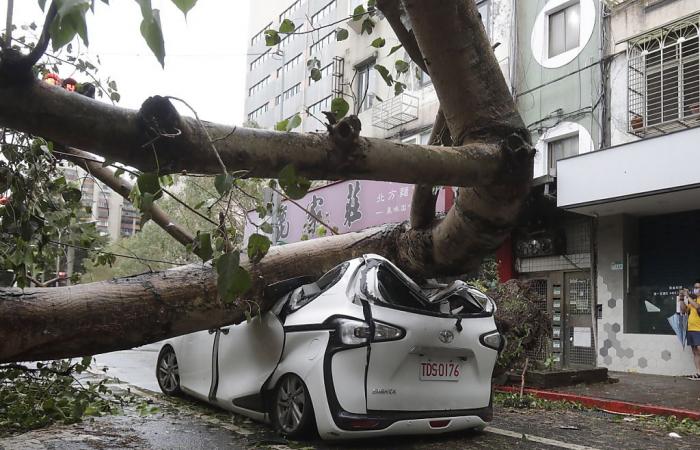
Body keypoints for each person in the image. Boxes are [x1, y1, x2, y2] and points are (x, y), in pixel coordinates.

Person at [680, 282, 700, 380]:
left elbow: (697, 307)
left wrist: (688, 296)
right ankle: (698, 373)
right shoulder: (693, 300)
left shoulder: (695, 301)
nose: (696, 289)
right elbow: (683, 310)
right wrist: (681, 299)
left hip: (699, 329)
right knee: (695, 352)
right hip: (691, 329)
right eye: (695, 287)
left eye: (698, 287)